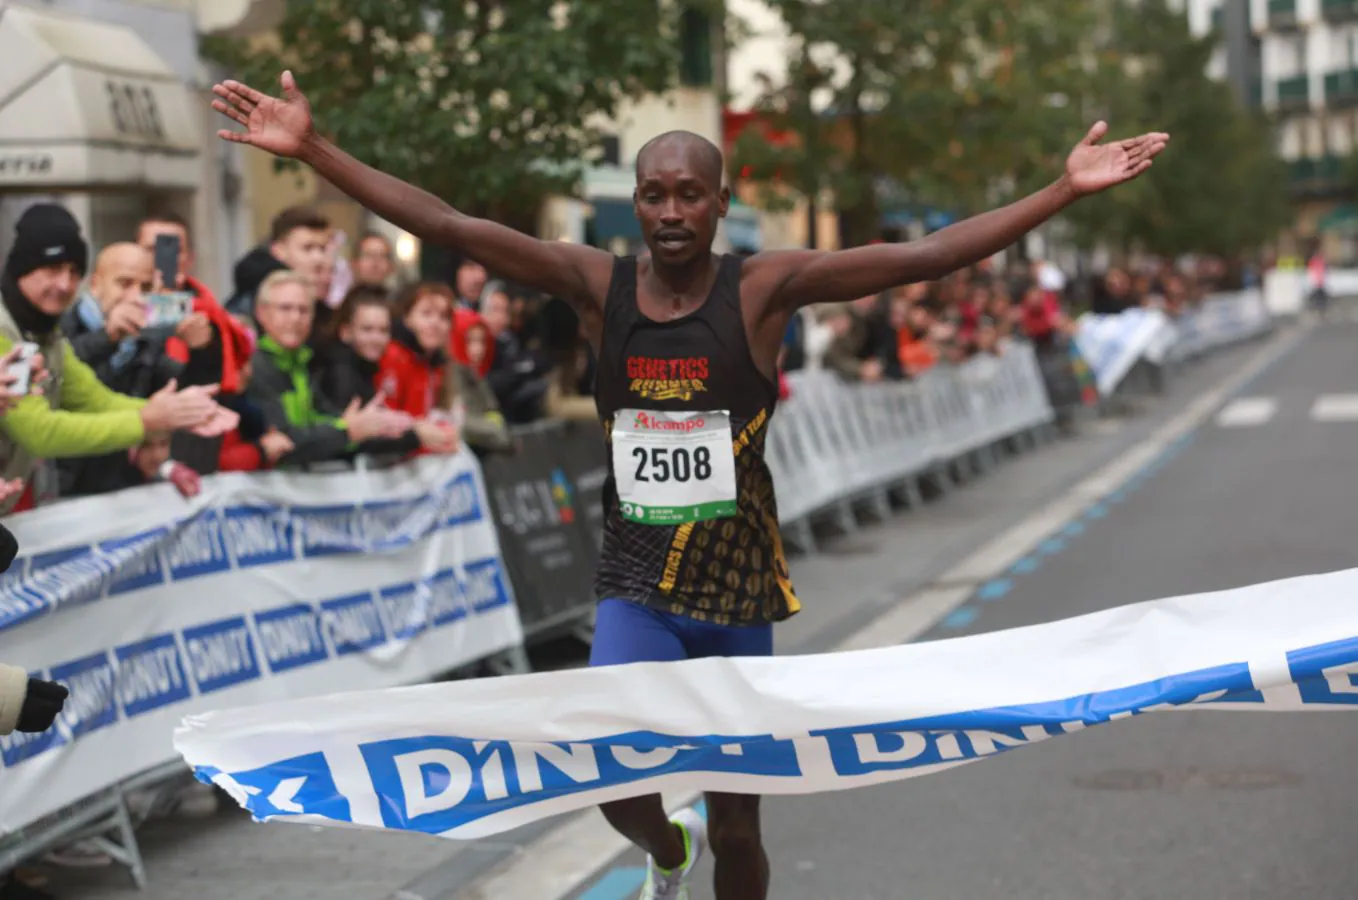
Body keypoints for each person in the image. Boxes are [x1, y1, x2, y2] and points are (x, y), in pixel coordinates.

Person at [213, 70, 1168, 900]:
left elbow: (922, 256)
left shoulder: (762, 290)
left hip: (737, 593)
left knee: (743, 830)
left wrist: (1059, 192)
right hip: (638, 587)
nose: (671, 213)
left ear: (719, 201)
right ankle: (664, 853)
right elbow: (450, 224)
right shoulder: (599, 287)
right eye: (654, 195)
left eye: (689, 196)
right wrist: (319, 151)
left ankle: (708, 852)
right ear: (637, 202)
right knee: (610, 778)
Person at [0, 204, 237, 515]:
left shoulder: (48, 334)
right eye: (52, 269)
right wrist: (149, 420)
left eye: (73, 272)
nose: (64, 284)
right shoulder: (7, 330)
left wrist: (181, 412)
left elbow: (96, 400)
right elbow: (41, 432)